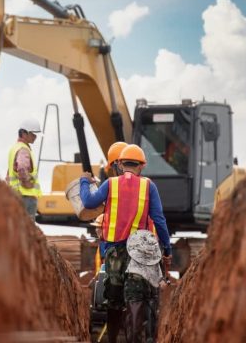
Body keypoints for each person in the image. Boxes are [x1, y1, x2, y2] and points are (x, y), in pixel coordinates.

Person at [79, 145, 172, 343]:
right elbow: (159, 219)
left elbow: (87, 202)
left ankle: (112, 339)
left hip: (115, 251)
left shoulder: (110, 184)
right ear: (141, 166)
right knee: (136, 299)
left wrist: (84, 182)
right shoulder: (149, 186)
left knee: (114, 299)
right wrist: (167, 248)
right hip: (140, 252)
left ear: (120, 164)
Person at [6, 118, 42, 219]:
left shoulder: (14, 148)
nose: (35, 136)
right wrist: (27, 183)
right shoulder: (23, 149)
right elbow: (22, 168)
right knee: (27, 228)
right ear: (24, 133)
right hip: (26, 196)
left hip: (16, 195)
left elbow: (9, 173)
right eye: (32, 133)